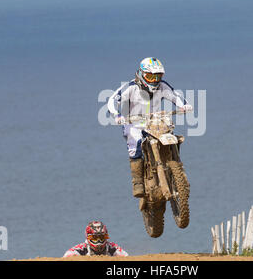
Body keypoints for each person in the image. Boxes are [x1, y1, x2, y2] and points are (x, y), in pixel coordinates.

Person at [107, 57, 193, 198]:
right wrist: (116, 115)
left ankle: (177, 170)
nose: (154, 80)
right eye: (150, 76)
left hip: (155, 121)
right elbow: (112, 100)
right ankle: (138, 181)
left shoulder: (163, 86)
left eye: (157, 76)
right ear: (141, 74)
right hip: (134, 122)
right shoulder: (131, 87)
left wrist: (184, 105)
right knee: (135, 143)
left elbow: (176, 96)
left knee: (173, 137)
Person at [63, 221, 128, 257]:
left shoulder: (113, 248)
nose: (98, 241)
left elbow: (126, 257)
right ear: (88, 237)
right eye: (95, 238)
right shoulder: (80, 250)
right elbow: (67, 256)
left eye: (101, 237)